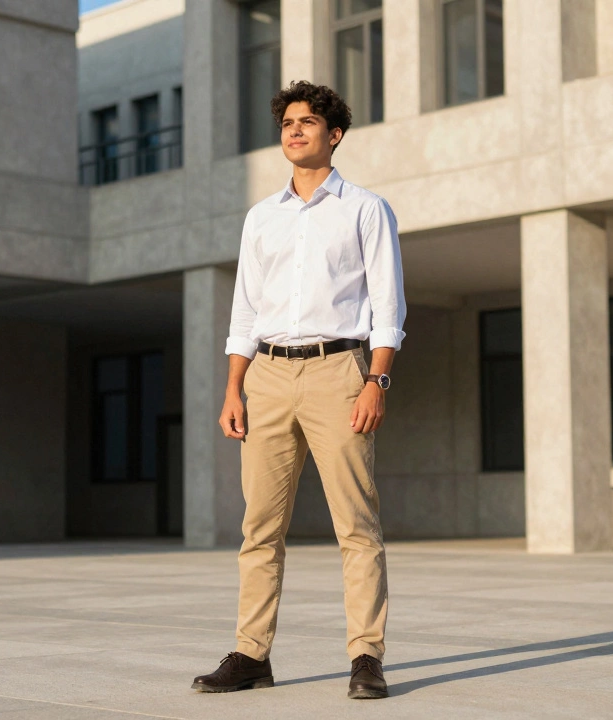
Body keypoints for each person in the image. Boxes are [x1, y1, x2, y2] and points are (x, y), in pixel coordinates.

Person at [190, 81, 406, 700]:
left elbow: (389, 308)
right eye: (287, 122)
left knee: (356, 526)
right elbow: (244, 312)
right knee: (259, 526)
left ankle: (367, 655)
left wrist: (376, 380)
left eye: (307, 122)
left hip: (340, 373)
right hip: (267, 378)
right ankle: (251, 654)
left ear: (333, 135)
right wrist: (235, 388)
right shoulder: (262, 217)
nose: (294, 130)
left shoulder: (366, 209)